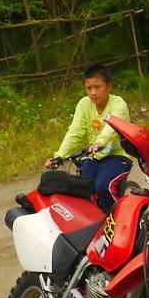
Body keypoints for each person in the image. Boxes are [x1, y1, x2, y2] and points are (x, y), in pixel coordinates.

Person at [47, 63, 131, 211]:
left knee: (103, 186)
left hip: (118, 156)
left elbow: (112, 127)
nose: (93, 92)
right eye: (89, 88)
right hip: (94, 156)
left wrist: (100, 142)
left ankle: (118, 219)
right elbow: (75, 132)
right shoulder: (84, 104)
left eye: (97, 87)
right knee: (83, 187)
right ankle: (93, 219)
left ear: (108, 87)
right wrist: (59, 156)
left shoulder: (118, 104)